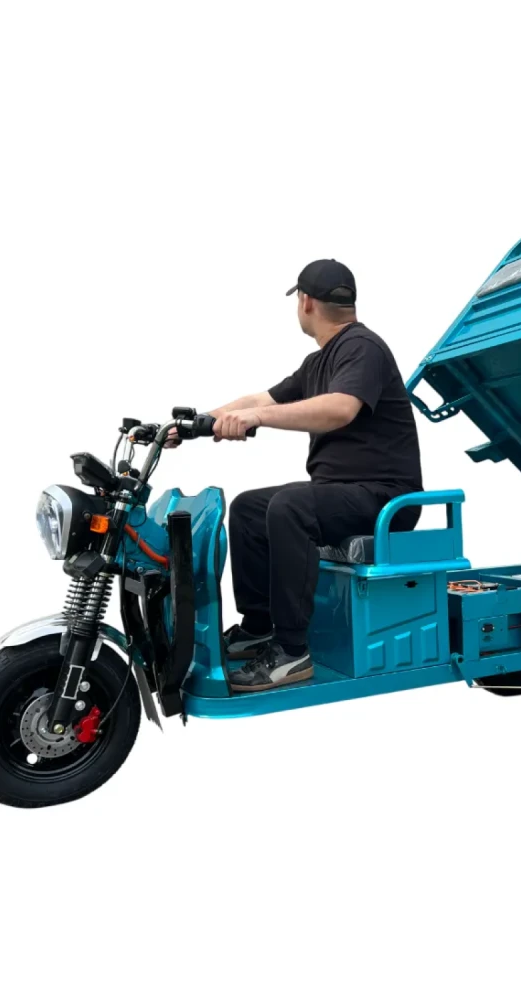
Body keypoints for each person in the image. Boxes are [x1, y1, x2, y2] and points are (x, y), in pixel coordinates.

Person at [185, 259, 423, 692]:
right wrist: (196, 424)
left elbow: (340, 408)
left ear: (306, 301)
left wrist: (257, 418)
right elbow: (260, 398)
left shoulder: (362, 347)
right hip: (344, 493)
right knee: (249, 508)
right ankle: (258, 626)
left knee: (290, 506)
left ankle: (292, 652)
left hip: (386, 498)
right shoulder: (318, 363)